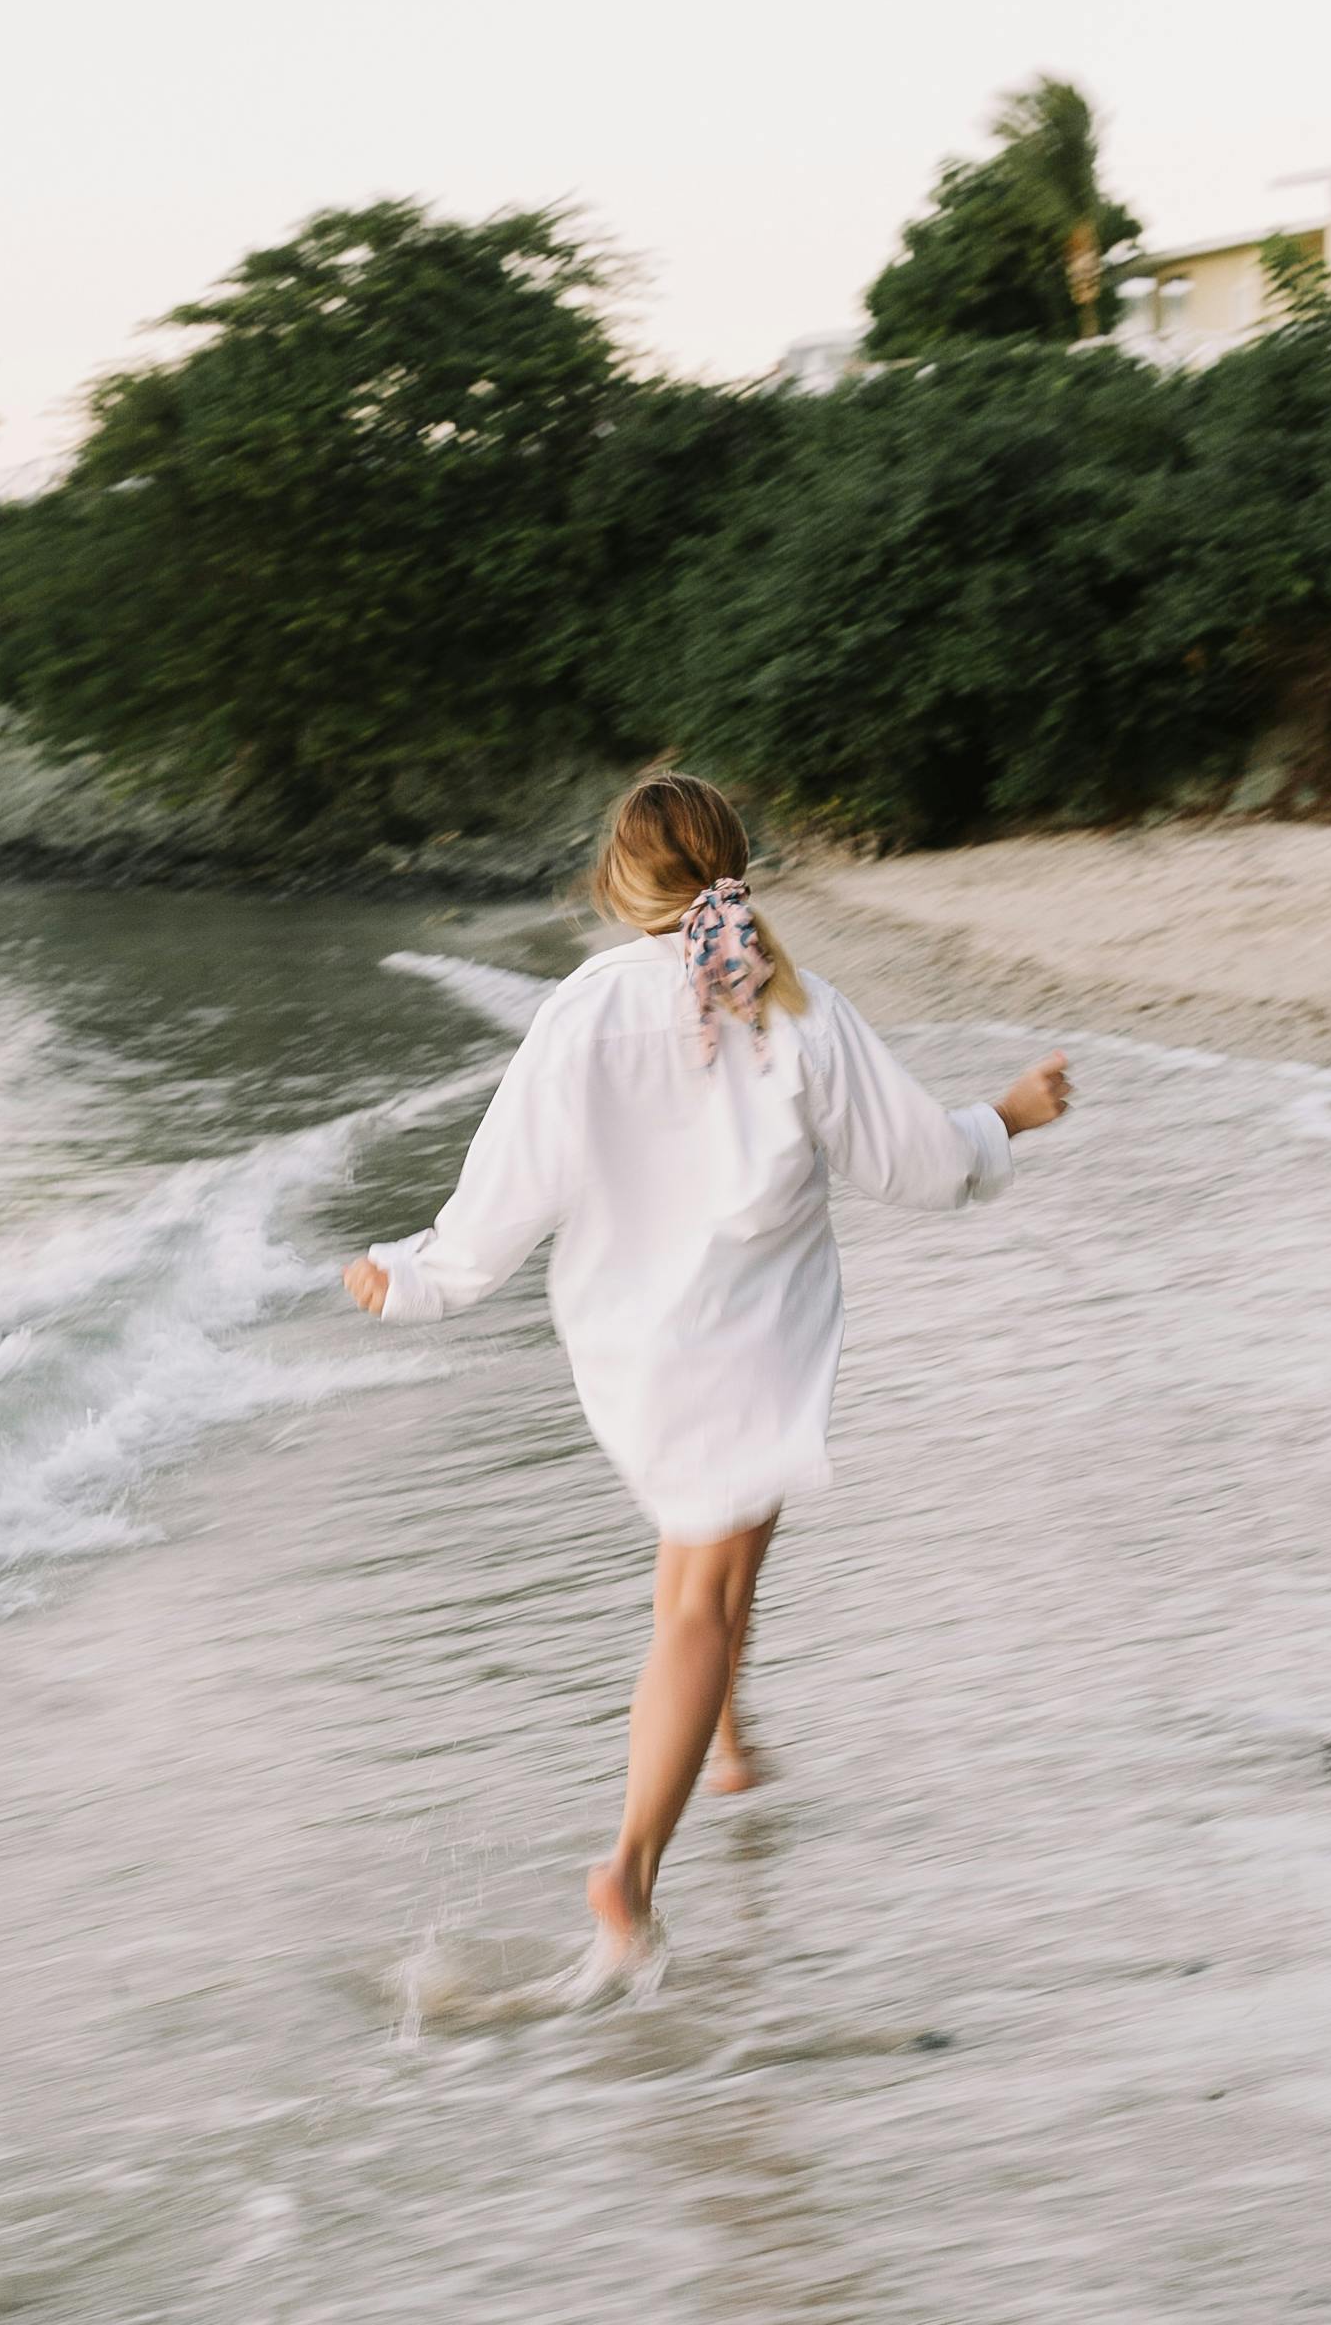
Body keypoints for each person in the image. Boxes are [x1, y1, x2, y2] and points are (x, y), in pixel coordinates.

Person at [343, 772, 1069, 1955]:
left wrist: (418, 1277)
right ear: (734, 869)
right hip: (754, 1334)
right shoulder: (794, 1005)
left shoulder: (582, 1010)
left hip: (633, 1342)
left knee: (719, 1545)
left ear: (615, 884)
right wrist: (1006, 1116)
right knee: (698, 1598)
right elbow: (919, 1167)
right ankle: (627, 1868)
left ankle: (725, 1733)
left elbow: (505, 1188)